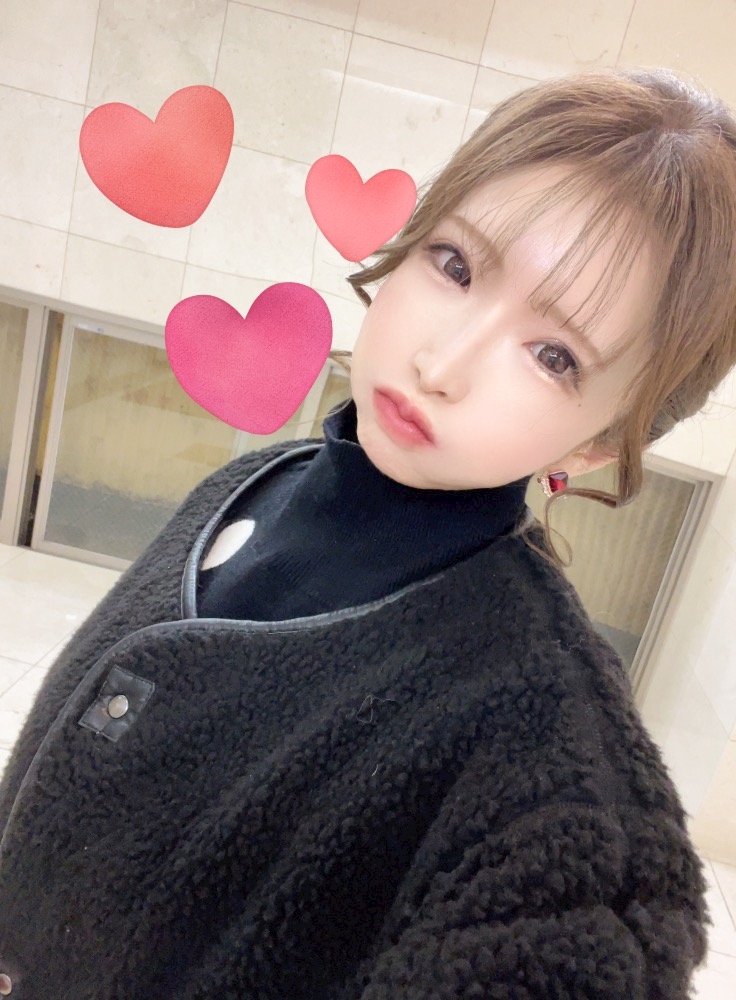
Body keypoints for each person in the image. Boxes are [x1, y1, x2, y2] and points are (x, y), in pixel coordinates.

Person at [1, 67, 735, 1000]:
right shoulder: (253, 482)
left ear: (599, 442)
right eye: (455, 264)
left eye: (554, 356)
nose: (442, 362)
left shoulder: (546, 762)